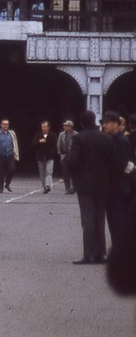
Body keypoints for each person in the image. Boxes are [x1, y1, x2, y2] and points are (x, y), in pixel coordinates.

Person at [67, 109, 114, 264]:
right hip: (102, 184)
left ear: (81, 123)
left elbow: (72, 160)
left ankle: (88, 254)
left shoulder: (79, 138)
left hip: (85, 185)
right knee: (100, 219)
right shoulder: (105, 138)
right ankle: (101, 254)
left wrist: (74, 173)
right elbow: (111, 160)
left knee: (88, 220)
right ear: (95, 120)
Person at [102, 110, 135, 250]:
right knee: (114, 220)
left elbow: (121, 164)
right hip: (114, 187)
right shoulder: (113, 139)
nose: (104, 126)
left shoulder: (121, 140)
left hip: (118, 187)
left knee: (117, 220)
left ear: (115, 124)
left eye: (106, 123)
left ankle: (120, 249)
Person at [0, 118, 19, 194]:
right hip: (0, 154)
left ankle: (7, 184)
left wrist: (15, 152)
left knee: (12, 169)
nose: (5, 126)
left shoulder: (12, 133)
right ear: (1, 125)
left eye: (7, 124)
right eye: (4, 124)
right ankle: (1, 187)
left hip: (10, 154)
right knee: (0, 172)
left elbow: (15, 143)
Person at [31, 120, 57, 194]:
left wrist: (47, 143)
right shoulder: (38, 135)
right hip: (40, 157)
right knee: (42, 173)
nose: (43, 128)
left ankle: (48, 185)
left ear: (49, 127)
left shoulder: (53, 135)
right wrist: (39, 142)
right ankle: (44, 186)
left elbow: (55, 146)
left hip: (49, 157)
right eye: (42, 127)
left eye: (45, 127)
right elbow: (32, 144)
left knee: (49, 171)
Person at [57, 120, 76, 194]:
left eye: (66, 126)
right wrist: (60, 154)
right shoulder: (61, 134)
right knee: (66, 172)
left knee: (73, 172)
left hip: (72, 155)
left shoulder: (75, 134)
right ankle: (67, 188)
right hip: (64, 155)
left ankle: (73, 187)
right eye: (64, 125)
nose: (64, 127)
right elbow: (58, 144)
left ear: (70, 127)